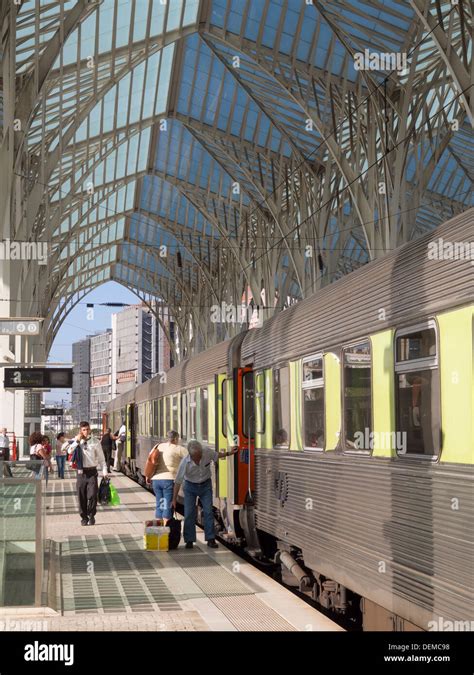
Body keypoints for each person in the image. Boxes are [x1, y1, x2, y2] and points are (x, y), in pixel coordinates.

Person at [172, 440, 238, 549]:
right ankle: (189, 540)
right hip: (190, 487)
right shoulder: (185, 462)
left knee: (208, 511)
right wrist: (174, 499)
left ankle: (211, 539)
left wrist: (228, 453)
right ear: (191, 455)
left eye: (200, 455)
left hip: (205, 485)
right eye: (196, 457)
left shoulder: (206, 452)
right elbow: (178, 481)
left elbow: (217, 455)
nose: (199, 458)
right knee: (189, 513)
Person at [68, 421, 108, 526]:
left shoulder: (95, 442)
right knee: (81, 496)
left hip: (92, 472)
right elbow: (69, 451)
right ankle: (84, 517)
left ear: (90, 429)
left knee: (92, 495)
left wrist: (105, 472)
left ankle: (91, 515)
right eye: (83, 430)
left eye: (87, 429)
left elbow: (102, 459)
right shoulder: (77, 442)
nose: (86, 432)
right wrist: (77, 440)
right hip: (81, 473)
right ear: (80, 431)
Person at [148, 430, 187, 521]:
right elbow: (191, 458)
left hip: (156, 480)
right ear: (176, 439)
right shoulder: (179, 449)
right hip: (168, 481)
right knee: (168, 505)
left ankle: (159, 529)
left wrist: (148, 476)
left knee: (160, 503)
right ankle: (166, 530)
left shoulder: (158, 446)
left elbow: (149, 460)